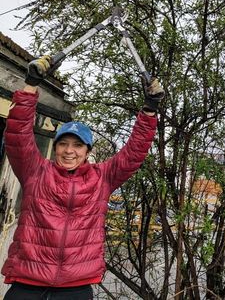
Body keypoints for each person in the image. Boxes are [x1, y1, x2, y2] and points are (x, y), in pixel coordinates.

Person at [1, 55, 164, 299]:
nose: (69, 151)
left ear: (88, 151)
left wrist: (150, 110)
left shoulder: (102, 178)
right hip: (27, 284)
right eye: (63, 144)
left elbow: (134, 152)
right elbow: (18, 135)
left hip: (75, 288)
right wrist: (31, 85)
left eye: (78, 146)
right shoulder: (35, 171)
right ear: (55, 147)